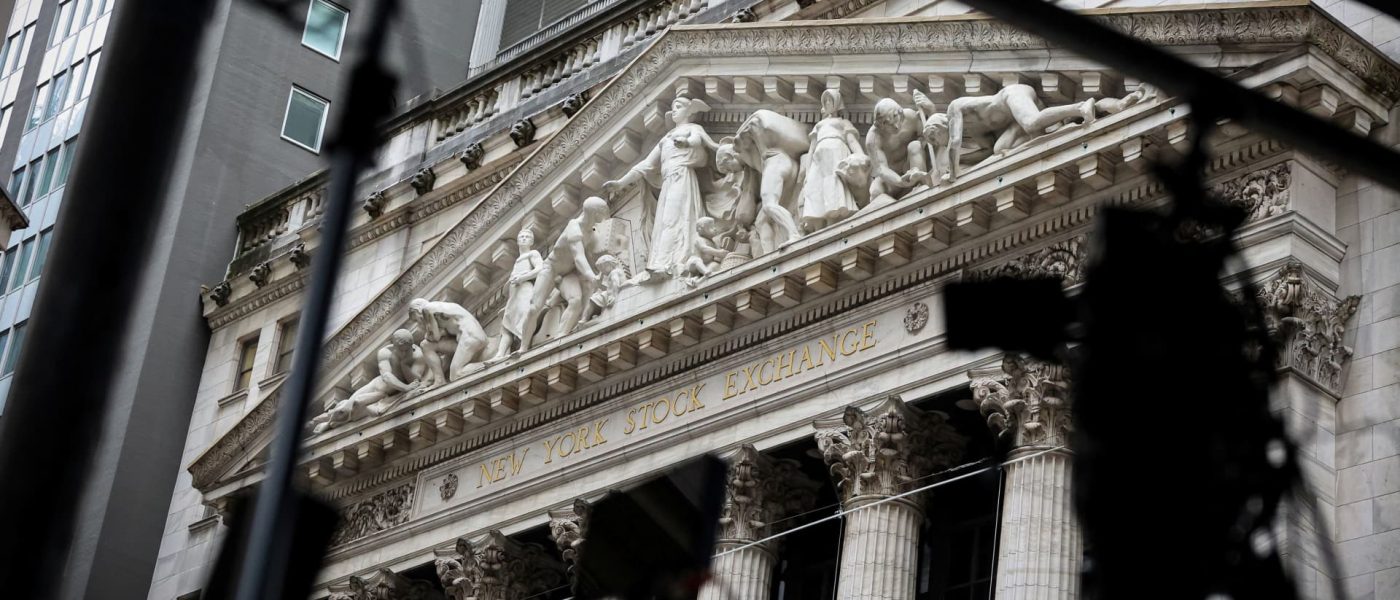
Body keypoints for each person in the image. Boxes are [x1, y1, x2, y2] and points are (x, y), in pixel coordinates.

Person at [603, 95, 719, 279]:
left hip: (681, 176)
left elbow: (699, 141)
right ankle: (662, 262)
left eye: (678, 106)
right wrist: (621, 183)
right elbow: (646, 165)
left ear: (689, 110)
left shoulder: (692, 128)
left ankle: (667, 263)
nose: (674, 110)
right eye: (673, 107)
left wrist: (686, 143)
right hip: (668, 183)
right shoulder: (666, 138)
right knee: (664, 222)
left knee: (672, 219)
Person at [924, 83, 1096, 182]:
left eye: (934, 138)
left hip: (1012, 95)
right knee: (999, 149)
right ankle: (1065, 123)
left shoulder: (953, 109)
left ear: (939, 125)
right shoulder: (974, 130)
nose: (937, 143)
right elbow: (987, 151)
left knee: (1031, 123)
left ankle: (1080, 107)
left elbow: (954, 142)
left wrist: (953, 174)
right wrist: (963, 160)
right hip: (1015, 119)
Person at [523, 196, 609, 343]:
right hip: (551, 269)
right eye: (602, 213)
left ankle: (560, 337)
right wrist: (592, 276)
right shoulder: (574, 227)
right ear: (595, 213)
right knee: (534, 308)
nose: (603, 217)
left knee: (576, 301)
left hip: (568, 273)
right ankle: (523, 347)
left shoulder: (592, 233)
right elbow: (579, 257)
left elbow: (589, 259)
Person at [311, 329, 424, 434]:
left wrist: (405, 365)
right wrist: (405, 387)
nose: (404, 353)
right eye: (401, 350)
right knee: (348, 407)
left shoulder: (417, 354)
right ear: (393, 345)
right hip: (375, 387)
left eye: (407, 350)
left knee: (355, 405)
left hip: (387, 395)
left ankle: (329, 421)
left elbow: (416, 379)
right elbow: (387, 376)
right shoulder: (385, 352)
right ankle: (328, 423)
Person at [801, 89, 869, 231]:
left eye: (830, 100)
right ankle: (820, 221)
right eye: (825, 101)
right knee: (814, 186)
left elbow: (852, 141)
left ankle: (834, 218)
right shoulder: (819, 125)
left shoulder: (842, 122)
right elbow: (811, 150)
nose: (827, 103)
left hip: (836, 154)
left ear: (837, 103)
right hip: (819, 159)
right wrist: (807, 173)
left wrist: (862, 157)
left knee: (834, 183)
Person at [491, 227, 545, 360]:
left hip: (525, 289)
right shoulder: (518, 260)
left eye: (527, 237)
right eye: (521, 237)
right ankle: (500, 354)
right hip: (514, 294)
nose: (524, 239)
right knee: (506, 323)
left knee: (524, 315)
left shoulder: (532, 254)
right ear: (517, 241)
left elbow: (540, 268)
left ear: (531, 241)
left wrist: (522, 278)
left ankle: (524, 346)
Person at [866, 98, 930, 206]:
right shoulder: (873, 139)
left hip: (913, 167)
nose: (896, 126)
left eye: (897, 119)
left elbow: (930, 138)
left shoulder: (910, 117)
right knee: (875, 191)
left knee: (915, 145)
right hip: (892, 177)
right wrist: (900, 181)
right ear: (881, 126)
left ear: (900, 112)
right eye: (890, 124)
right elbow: (881, 168)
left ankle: (920, 186)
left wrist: (931, 109)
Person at [409, 297, 489, 384]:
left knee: (455, 374)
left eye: (416, 319)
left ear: (418, 311)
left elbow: (435, 337)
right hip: (473, 337)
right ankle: (439, 380)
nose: (419, 322)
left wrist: (427, 333)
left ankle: (489, 364)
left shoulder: (427, 309)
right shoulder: (439, 310)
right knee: (426, 345)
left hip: (470, 337)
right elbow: (440, 336)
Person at [581, 254, 628, 323]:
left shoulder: (614, 272)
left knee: (593, 299)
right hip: (611, 293)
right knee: (596, 296)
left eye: (603, 268)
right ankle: (590, 317)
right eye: (601, 269)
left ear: (609, 264)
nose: (602, 271)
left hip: (613, 294)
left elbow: (615, 283)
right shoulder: (616, 271)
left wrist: (613, 297)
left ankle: (585, 319)